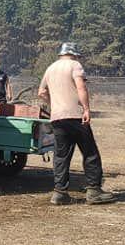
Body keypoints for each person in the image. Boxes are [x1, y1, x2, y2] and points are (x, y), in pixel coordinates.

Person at [38, 43, 115, 205]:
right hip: (75, 115)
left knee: (61, 156)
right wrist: (86, 109)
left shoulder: (50, 68)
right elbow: (81, 87)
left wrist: (54, 105)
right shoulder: (75, 65)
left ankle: (60, 193)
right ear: (73, 54)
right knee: (90, 152)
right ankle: (94, 190)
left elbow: (41, 92)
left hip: (57, 118)